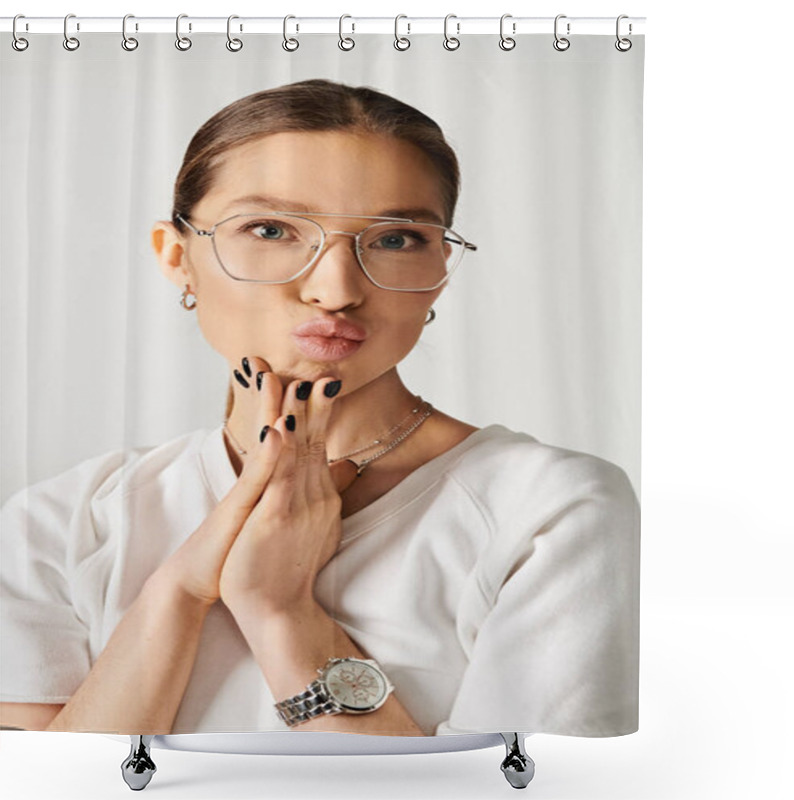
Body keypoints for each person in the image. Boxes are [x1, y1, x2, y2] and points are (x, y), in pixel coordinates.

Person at [0, 79, 640, 737]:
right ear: (177, 257)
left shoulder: (549, 511)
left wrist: (281, 613)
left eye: (396, 239)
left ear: (441, 268)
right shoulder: (60, 524)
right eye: (271, 229)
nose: (335, 290)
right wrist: (177, 595)